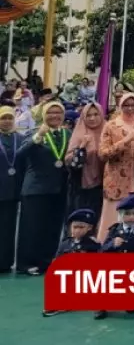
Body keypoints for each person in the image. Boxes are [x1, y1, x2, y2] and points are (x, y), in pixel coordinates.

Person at [16, 101, 71, 275]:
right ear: (43, 115)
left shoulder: (67, 133)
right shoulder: (33, 133)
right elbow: (20, 154)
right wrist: (38, 136)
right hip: (36, 188)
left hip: (59, 188)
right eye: (50, 113)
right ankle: (25, 263)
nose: (54, 116)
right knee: (32, 228)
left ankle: (46, 261)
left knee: (53, 227)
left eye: (58, 113)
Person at [97, 93, 134, 240]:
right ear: (120, 106)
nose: (130, 108)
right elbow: (103, 154)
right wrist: (125, 140)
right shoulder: (111, 125)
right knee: (113, 219)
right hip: (116, 180)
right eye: (126, 105)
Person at [99, 193, 134, 319]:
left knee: (131, 308)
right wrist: (113, 244)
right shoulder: (115, 230)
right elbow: (102, 251)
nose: (131, 217)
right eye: (127, 214)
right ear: (121, 215)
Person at [41, 208, 102, 318]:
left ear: (89, 228)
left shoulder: (93, 244)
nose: (77, 230)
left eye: (81, 227)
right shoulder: (65, 243)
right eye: (75, 227)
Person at [65, 103, 106, 221]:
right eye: (88, 115)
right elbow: (69, 161)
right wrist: (82, 146)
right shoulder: (79, 133)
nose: (92, 118)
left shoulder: (108, 131)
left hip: (105, 185)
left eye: (96, 114)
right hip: (82, 186)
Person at [0, 106, 24, 272]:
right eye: (3, 118)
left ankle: (6, 262)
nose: (7, 121)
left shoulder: (21, 138)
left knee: (9, 228)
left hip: (13, 190)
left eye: (9, 118)